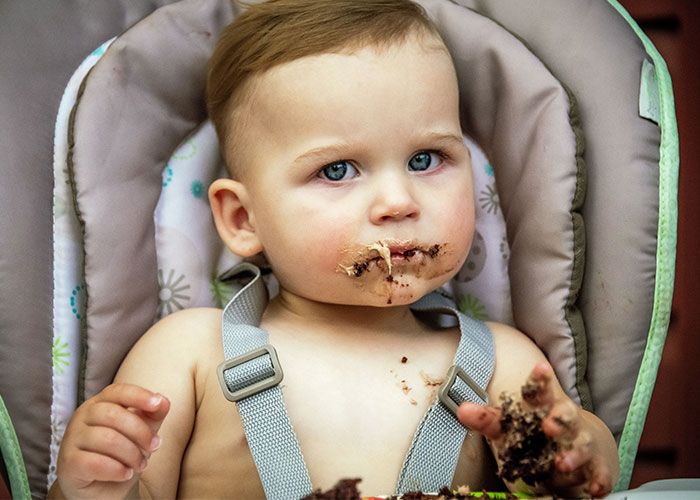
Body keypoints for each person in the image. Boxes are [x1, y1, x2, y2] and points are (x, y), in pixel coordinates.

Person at [48, 0, 619, 498]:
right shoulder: (191, 355)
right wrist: (100, 484)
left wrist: (575, 456)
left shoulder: (501, 362)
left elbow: (567, 481)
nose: (398, 201)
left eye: (425, 160)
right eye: (338, 169)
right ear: (244, 220)